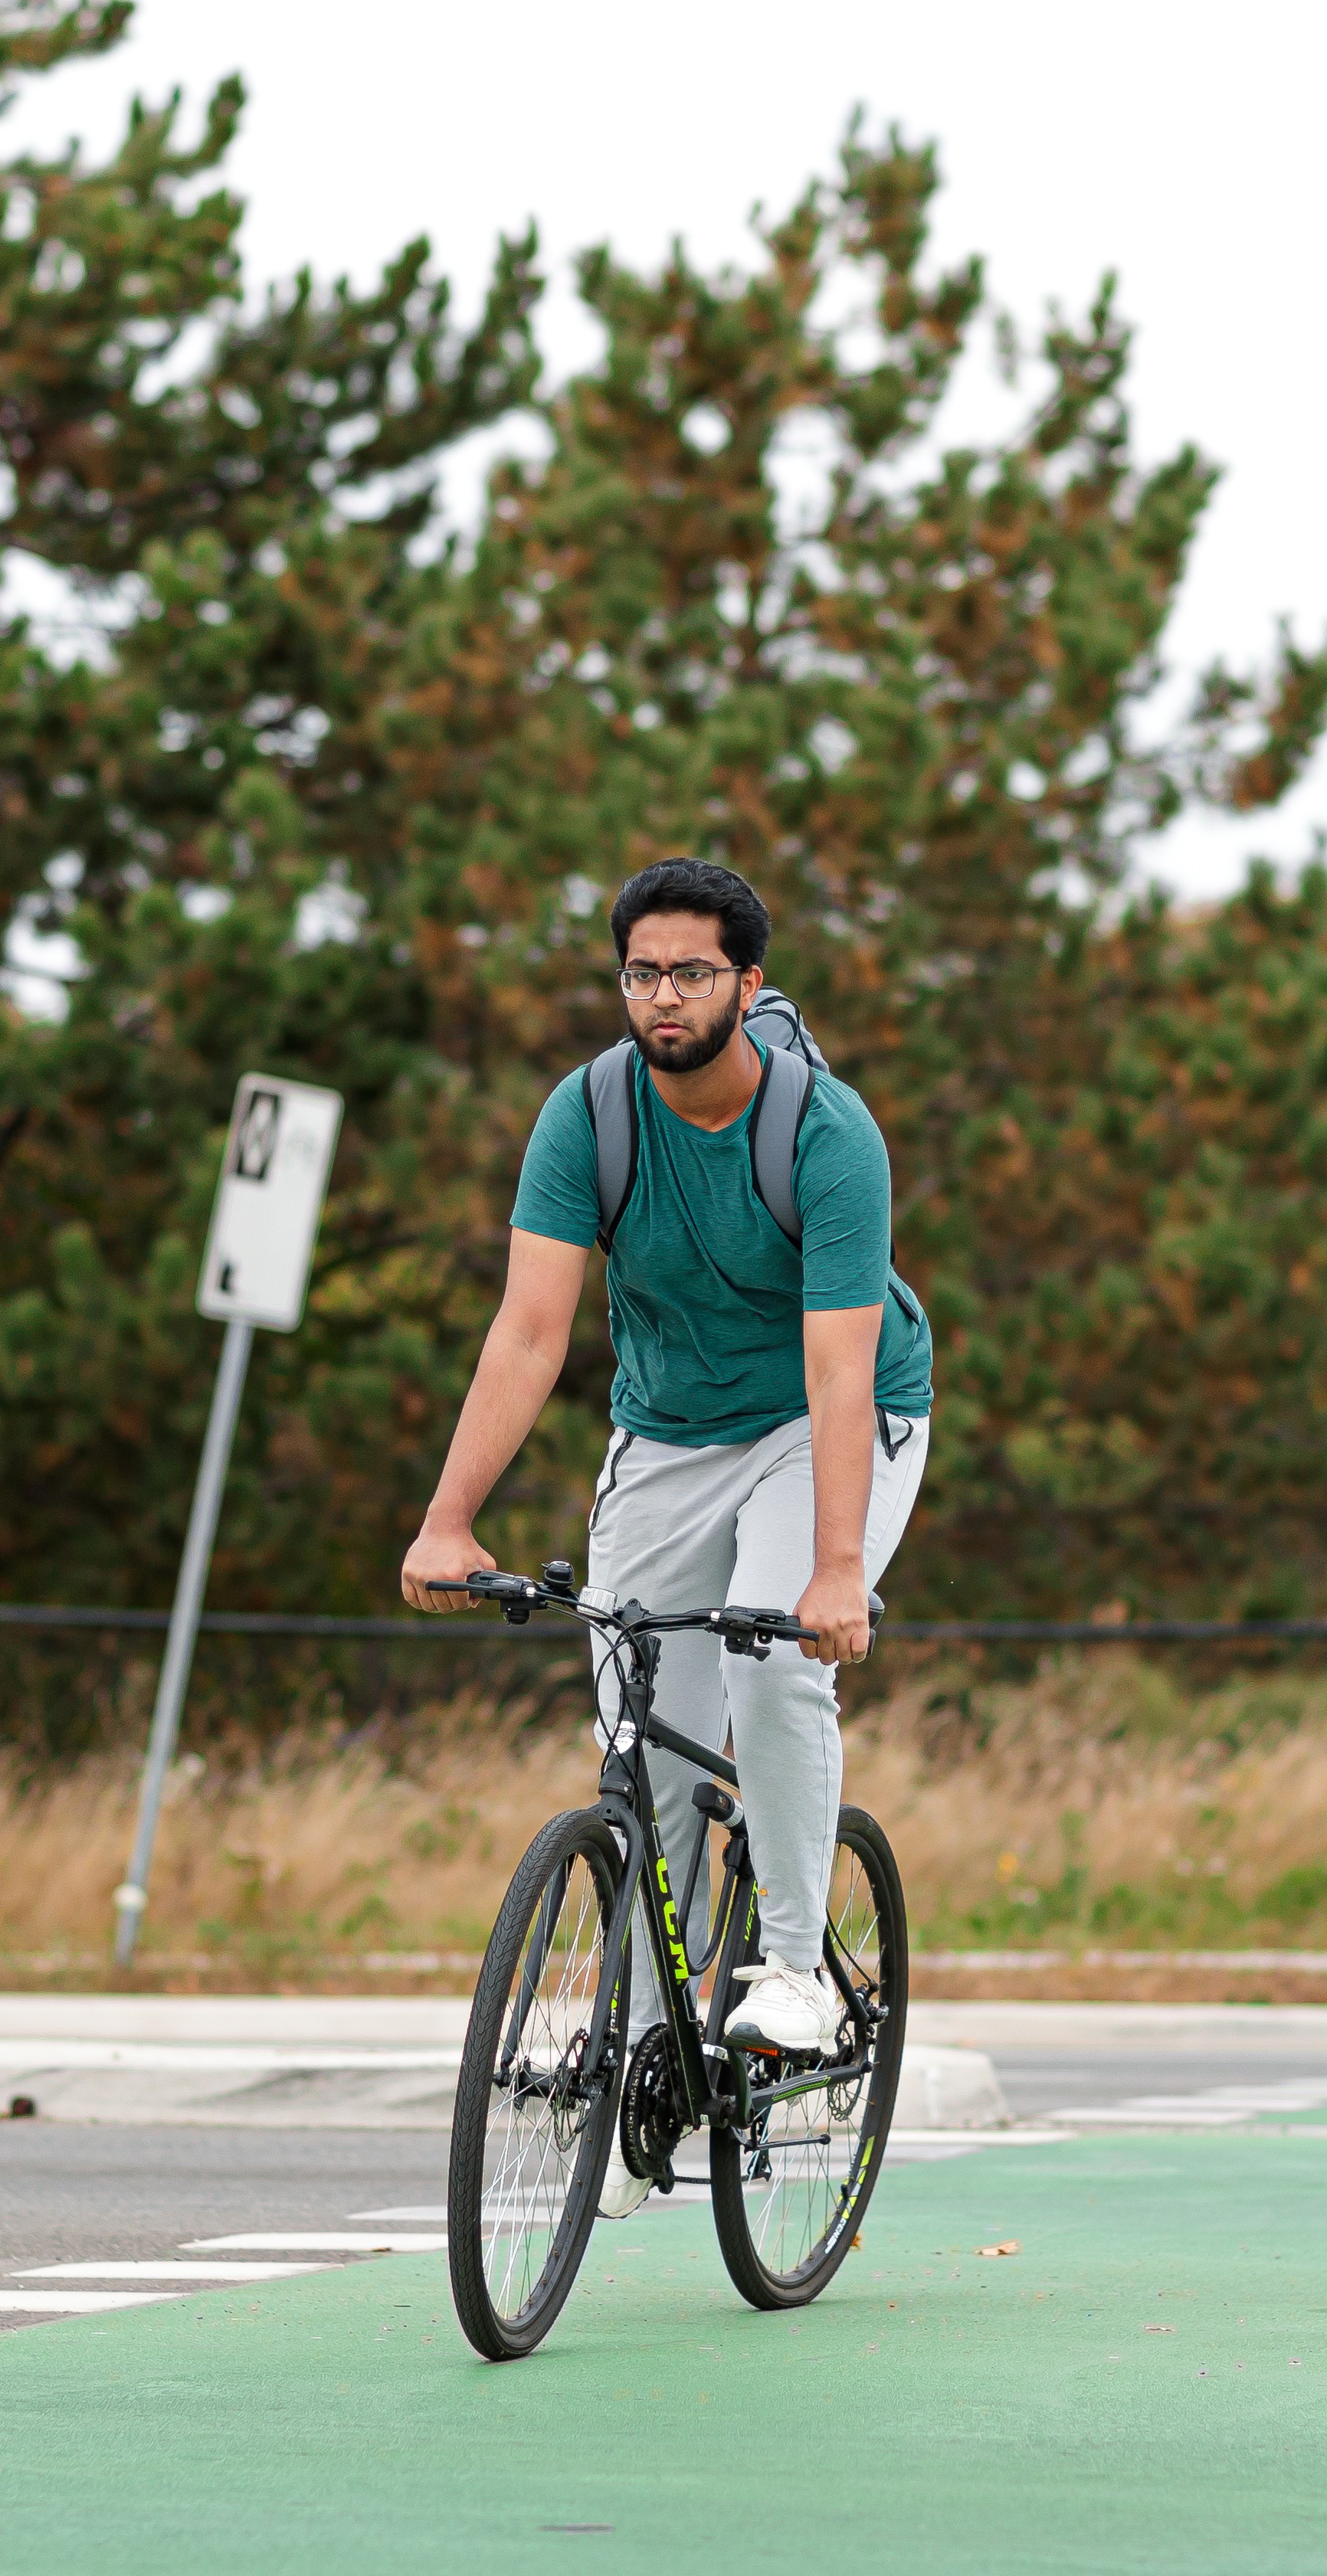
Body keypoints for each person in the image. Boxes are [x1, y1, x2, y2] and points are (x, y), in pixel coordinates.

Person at [399, 858, 935, 2167]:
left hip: (829, 1418)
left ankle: (799, 1967)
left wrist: (831, 1571)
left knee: (768, 1651)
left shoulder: (823, 1131)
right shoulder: (589, 1115)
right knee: (653, 1733)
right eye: (640, 972)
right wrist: (446, 1518)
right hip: (665, 1431)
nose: (662, 997)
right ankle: (650, 2042)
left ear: (746, 985)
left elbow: (837, 1364)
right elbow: (531, 1332)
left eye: (691, 971)